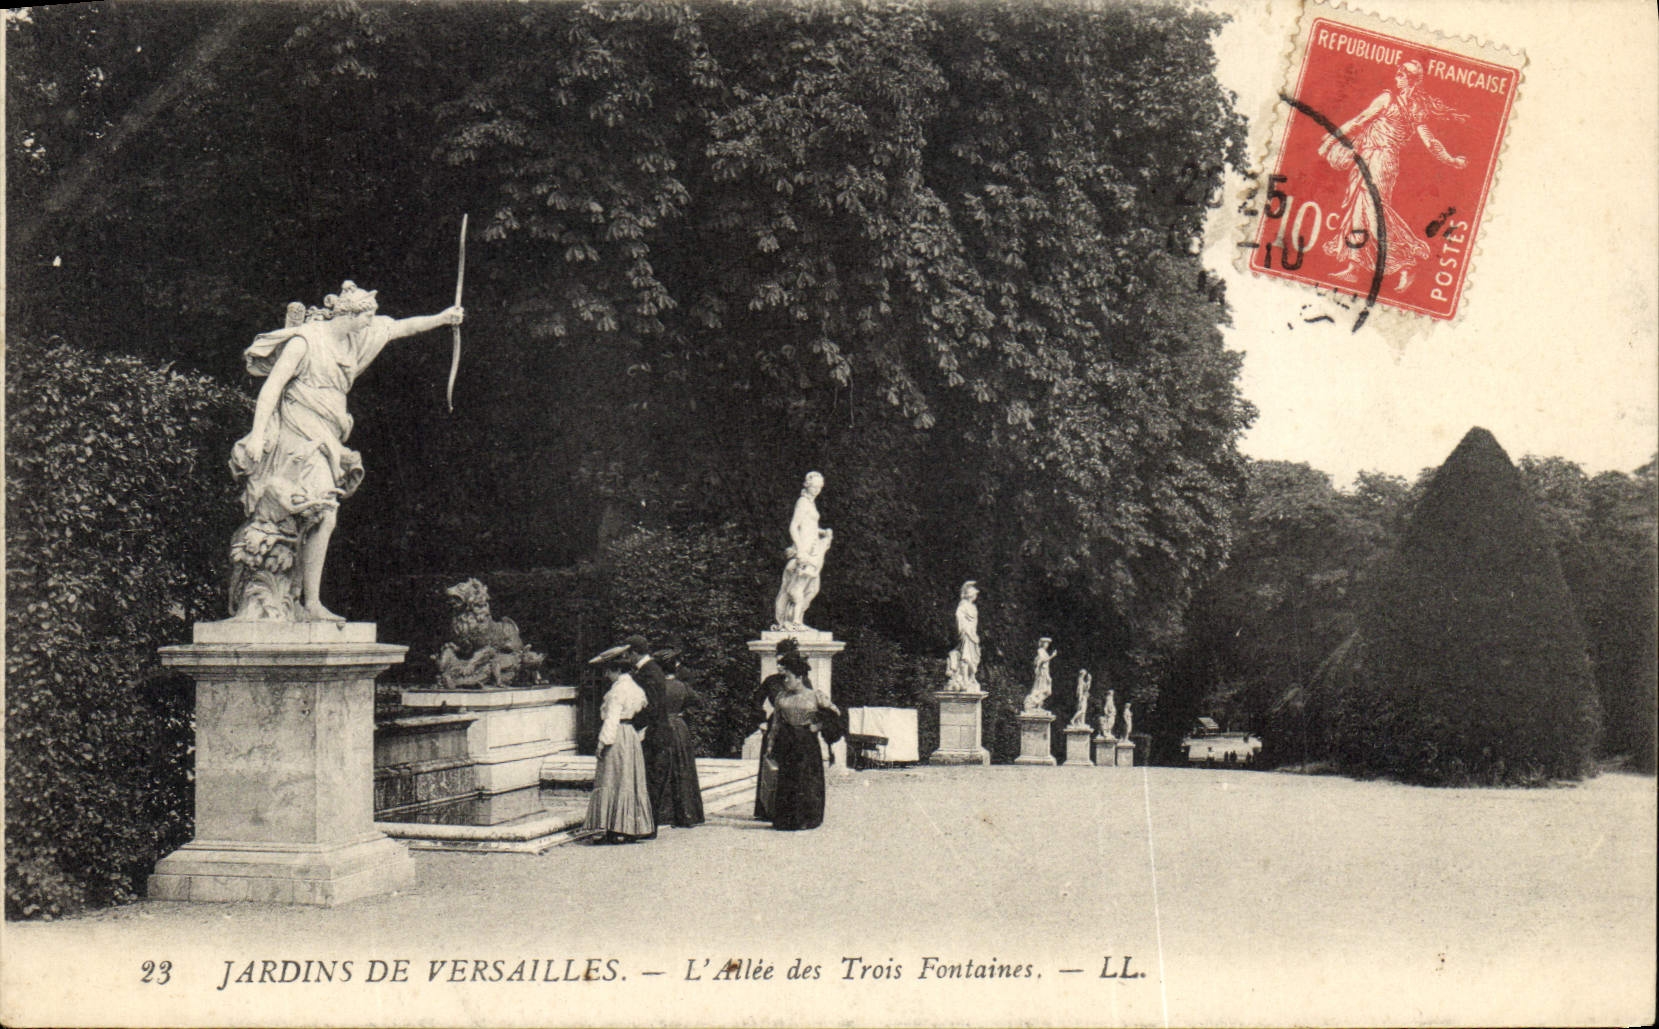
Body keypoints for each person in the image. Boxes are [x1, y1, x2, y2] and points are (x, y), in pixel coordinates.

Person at [230, 281, 463, 621]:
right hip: (298, 433)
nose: (372, 323)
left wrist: (443, 318)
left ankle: (308, 602)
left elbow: (400, 327)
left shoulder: (357, 339)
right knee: (313, 510)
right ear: (349, 315)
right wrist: (256, 434)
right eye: (366, 317)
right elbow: (272, 389)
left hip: (328, 434)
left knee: (323, 514)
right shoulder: (305, 341)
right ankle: (288, 601)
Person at [1317, 59, 1468, 292]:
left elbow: (1360, 121)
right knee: (1359, 209)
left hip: (1382, 160)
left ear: (1409, 79)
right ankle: (1355, 266)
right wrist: (1451, 159)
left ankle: (1408, 262)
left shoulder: (1395, 102)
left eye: (1400, 74)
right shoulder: (1410, 106)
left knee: (1374, 210)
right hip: (1370, 157)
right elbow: (1429, 141)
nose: (1396, 77)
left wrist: (1330, 138)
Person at [766, 649, 844, 831]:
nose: (785, 681)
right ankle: (786, 820)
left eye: (788, 678)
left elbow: (835, 714)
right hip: (787, 742)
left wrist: (818, 726)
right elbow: (776, 723)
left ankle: (808, 818)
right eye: (784, 678)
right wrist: (770, 745)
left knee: (807, 780)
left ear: (799, 677)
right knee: (787, 779)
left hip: (807, 743)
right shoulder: (781, 697)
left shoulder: (815, 695)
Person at [583, 648, 655, 843]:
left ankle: (614, 828)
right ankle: (630, 826)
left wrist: (602, 742)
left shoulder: (617, 691)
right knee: (629, 780)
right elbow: (644, 713)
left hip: (617, 735)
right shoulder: (636, 688)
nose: (606, 675)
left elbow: (611, 719)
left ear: (615, 670)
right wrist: (637, 736)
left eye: (607, 671)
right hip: (630, 735)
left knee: (612, 779)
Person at [772, 471, 833, 631]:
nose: (817, 490)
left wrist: (821, 532)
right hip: (805, 549)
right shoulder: (803, 502)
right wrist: (800, 550)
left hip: (813, 550)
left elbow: (809, 526)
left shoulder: (810, 503)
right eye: (814, 486)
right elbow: (794, 526)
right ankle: (792, 621)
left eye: (819, 487)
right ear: (807, 485)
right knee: (798, 586)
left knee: (811, 587)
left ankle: (795, 619)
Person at [622, 635, 673, 824]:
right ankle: (647, 823)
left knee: (651, 779)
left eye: (628, 654)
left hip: (653, 734)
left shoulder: (649, 672)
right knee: (651, 779)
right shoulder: (651, 670)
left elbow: (651, 707)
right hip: (655, 732)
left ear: (635, 653)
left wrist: (630, 725)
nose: (627, 659)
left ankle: (648, 824)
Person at [655, 650, 705, 828]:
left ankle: (663, 814)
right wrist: (682, 713)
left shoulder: (655, 686)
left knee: (662, 768)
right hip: (679, 728)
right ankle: (686, 813)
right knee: (682, 768)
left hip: (661, 728)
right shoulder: (681, 686)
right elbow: (698, 702)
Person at [752, 638, 801, 821]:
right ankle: (766, 808)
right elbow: (756, 700)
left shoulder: (801, 682)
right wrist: (760, 721)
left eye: (783, 663)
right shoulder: (771, 681)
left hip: (794, 727)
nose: (779, 666)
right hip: (774, 726)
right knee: (770, 766)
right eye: (777, 662)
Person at [950, 581, 981, 690]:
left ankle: (971, 677)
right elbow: (959, 617)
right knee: (966, 656)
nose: (975, 596)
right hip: (966, 633)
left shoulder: (973, 607)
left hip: (972, 634)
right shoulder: (963, 606)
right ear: (970, 595)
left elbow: (975, 622)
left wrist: (973, 634)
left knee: (974, 657)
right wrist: (965, 630)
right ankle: (965, 679)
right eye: (974, 594)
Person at [1023, 637, 1057, 713]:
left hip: (1045, 672)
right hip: (1042, 673)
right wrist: (1052, 656)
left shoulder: (1044, 652)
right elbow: (1043, 660)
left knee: (1048, 691)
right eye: (1046, 643)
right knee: (1042, 688)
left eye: (1048, 643)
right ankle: (1034, 703)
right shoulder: (1040, 650)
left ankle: (1037, 705)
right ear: (1042, 643)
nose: (1047, 645)